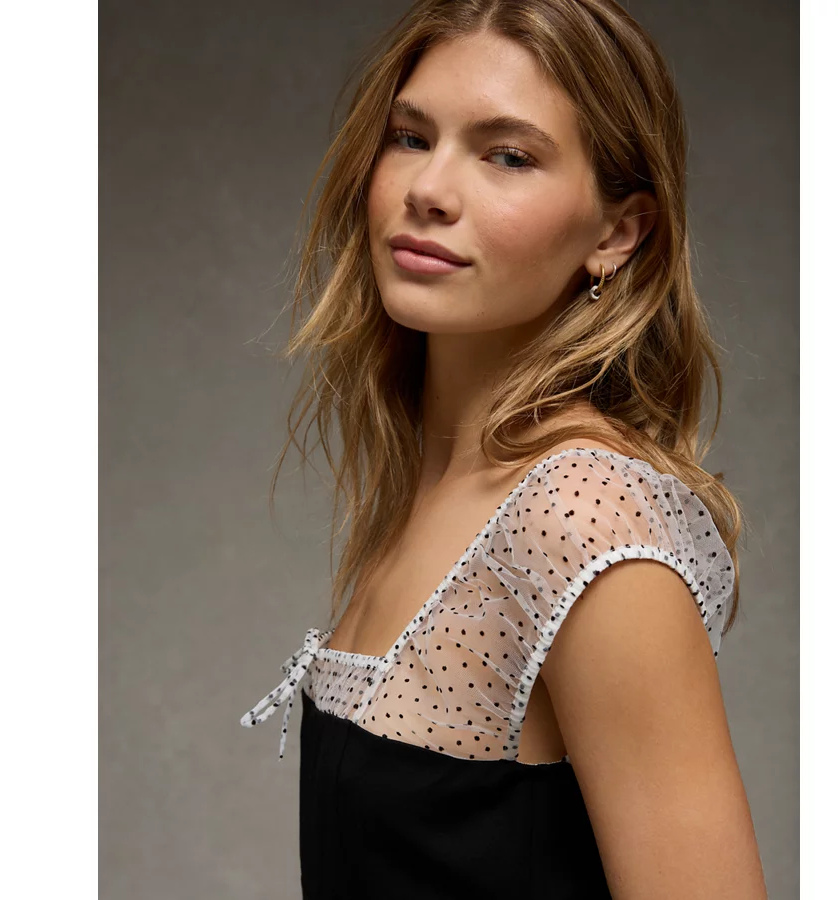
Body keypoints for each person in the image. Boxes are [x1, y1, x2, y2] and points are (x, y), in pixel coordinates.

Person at [242, 0, 768, 896]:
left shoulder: (583, 517)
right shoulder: (436, 479)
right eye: (411, 137)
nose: (429, 189)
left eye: (508, 156)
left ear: (616, 233)